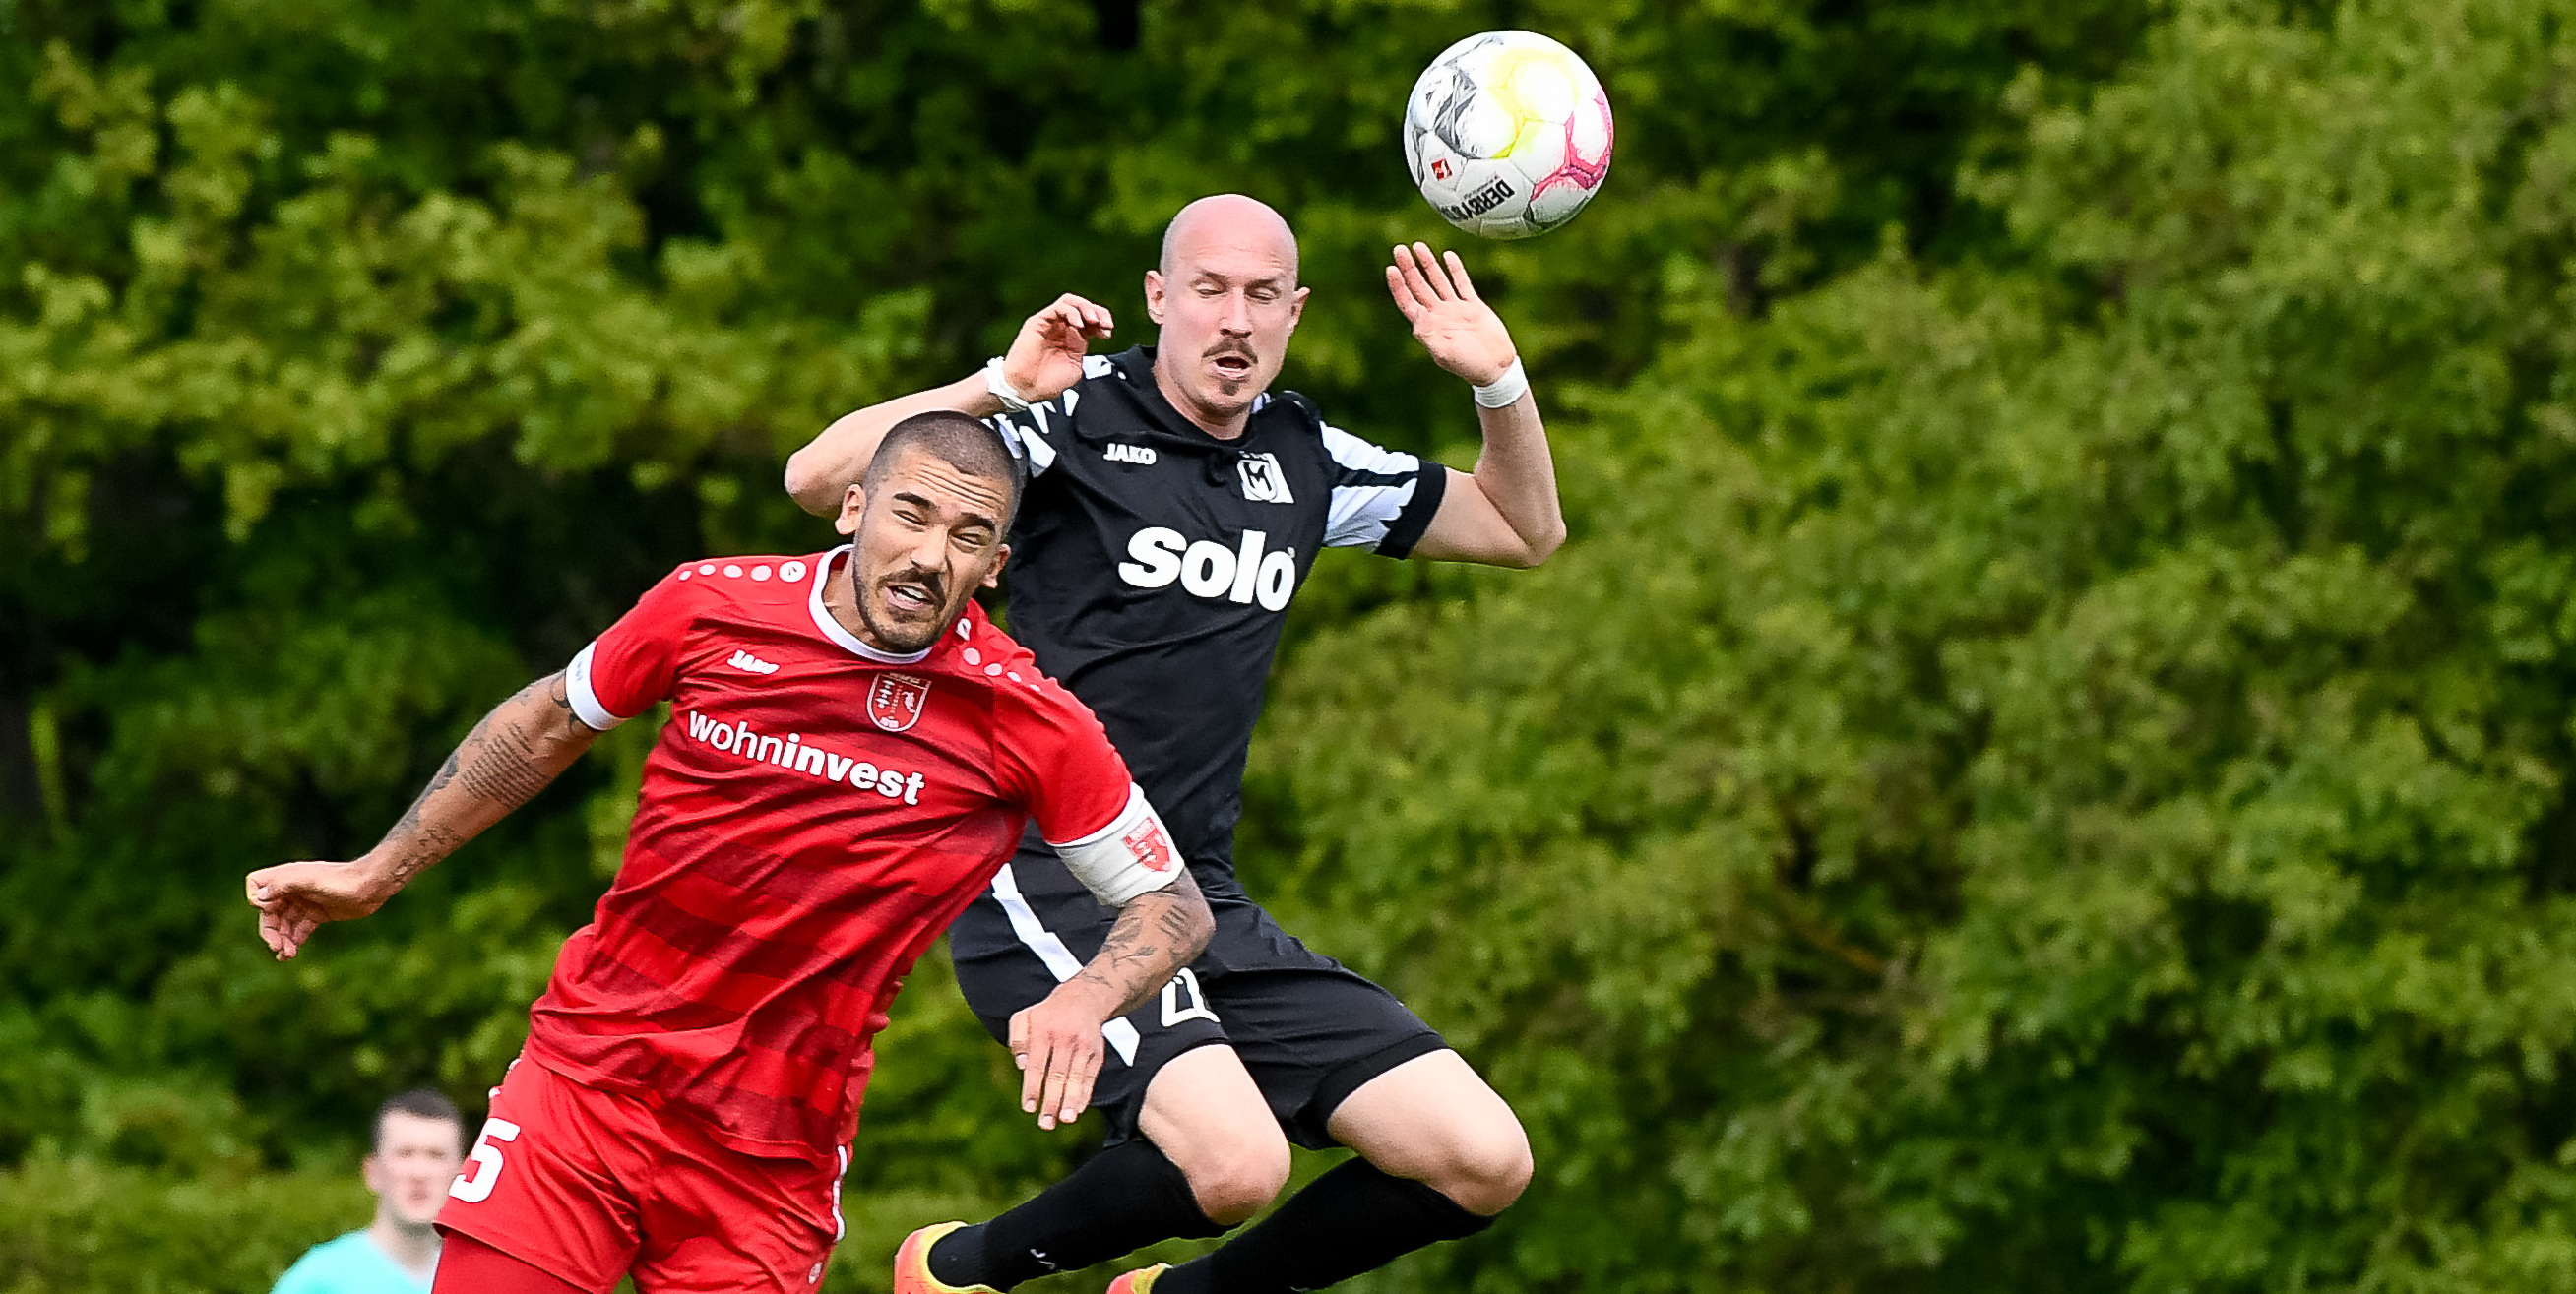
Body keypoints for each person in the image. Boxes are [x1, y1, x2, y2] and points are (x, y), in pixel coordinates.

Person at [246, 412, 1217, 1294]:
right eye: (910, 517)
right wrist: (375, 872)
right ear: (852, 507)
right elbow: (547, 721)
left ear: (996, 565)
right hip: (588, 1086)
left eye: (966, 538)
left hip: (771, 1154)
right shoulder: (708, 607)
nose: (928, 556)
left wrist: (1084, 998)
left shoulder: (1024, 714)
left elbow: (1173, 904)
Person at [785, 194, 1563, 1294]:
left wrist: (1498, 382)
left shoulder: (1304, 456)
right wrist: (1000, 385)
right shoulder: (1072, 414)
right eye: (1208, 291)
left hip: (1197, 892)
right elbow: (819, 480)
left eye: (1260, 297)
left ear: (1294, 314)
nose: (1232, 321)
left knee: (1481, 1159)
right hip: (1043, 858)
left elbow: (1525, 529)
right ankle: (951, 1275)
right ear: (1159, 299)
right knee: (1238, 1163)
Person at [271, 1089, 468, 1294]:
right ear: (372, 1172)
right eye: (404, 1154)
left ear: (461, 1175)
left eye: (436, 1156)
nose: (419, 1173)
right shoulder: (317, 1281)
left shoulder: (475, 1283)